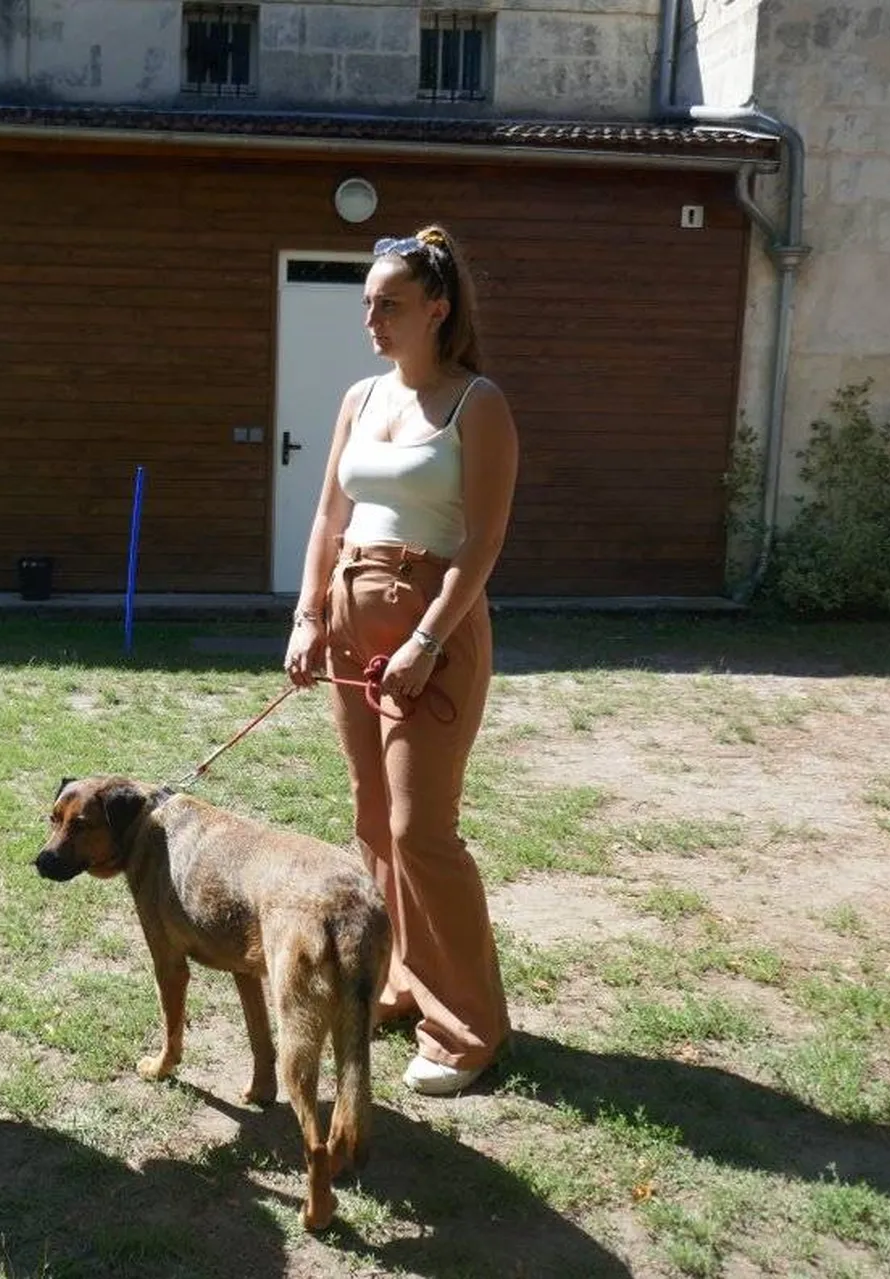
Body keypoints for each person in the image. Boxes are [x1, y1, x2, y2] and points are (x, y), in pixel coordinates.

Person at [282, 225, 518, 1097]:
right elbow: (327, 518)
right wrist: (309, 615)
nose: (372, 319)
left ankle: (468, 1028)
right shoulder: (359, 397)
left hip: (433, 633)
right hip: (349, 624)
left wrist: (426, 640)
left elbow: (484, 541)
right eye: (366, 304)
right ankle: (395, 981)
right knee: (374, 817)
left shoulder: (476, 403)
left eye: (389, 305)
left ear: (437, 310)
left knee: (423, 829)